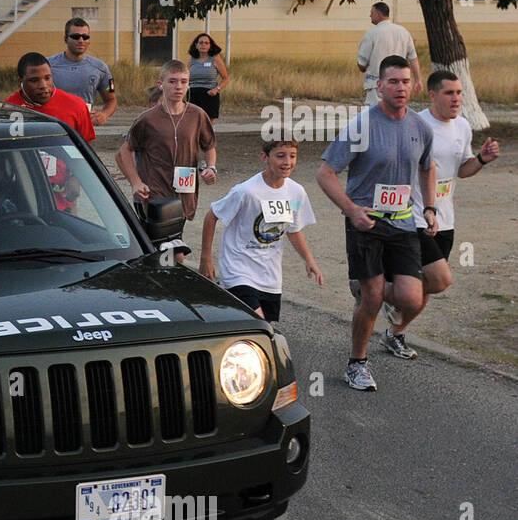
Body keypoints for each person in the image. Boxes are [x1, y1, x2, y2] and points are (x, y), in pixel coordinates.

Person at [317, 56, 436, 391]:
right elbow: (325, 173)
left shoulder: (420, 127)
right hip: (365, 223)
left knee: (412, 299)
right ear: (379, 86)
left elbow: (428, 167)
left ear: (414, 84)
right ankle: (357, 363)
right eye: (393, 82)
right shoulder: (361, 127)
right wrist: (352, 210)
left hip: (402, 224)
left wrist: (430, 208)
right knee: (372, 298)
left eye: (406, 81)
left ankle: (368, 289)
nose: (400, 88)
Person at [377, 69, 502, 355]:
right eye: (449, 93)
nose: (456, 99)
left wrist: (482, 159)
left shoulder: (462, 127)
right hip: (414, 216)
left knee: (429, 284)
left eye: (459, 93)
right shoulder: (416, 125)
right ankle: (380, 290)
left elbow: (462, 169)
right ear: (433, 95)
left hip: (445, 218)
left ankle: (394, 333)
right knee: (441, 278)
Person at [199, 137, 322, 323]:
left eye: (292, 156)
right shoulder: (247, 191)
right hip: (238, 271)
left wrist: (309, 259)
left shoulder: (296, 192)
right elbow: (212, 216)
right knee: (258, 324)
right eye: (280, 156)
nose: (287, 162)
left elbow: (292, 229)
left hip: (270, 276)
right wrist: (205, 259)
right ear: (265, 157)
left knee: (260, 334)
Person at [116, 59, 217, 222]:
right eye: (172, 81)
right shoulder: (147, 119)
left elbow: (210, 145)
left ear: (188, 84)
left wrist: (211, 168)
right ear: (161, 84)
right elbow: (124, 151)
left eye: (183, 82)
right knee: (156, 243)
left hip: (184, 190)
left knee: (178, 241)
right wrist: (135, 182)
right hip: (153, 192)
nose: (178, 87)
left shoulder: (197, 115)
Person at [4, 52, 96, 142]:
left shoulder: (77, 105)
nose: (43, 85)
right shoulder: (6, 110)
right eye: (34, 80)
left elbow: (86, 148)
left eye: (47, 78)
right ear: (21, 82)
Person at [47, 19, 118, 124]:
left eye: (85, 37)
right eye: (75, 36)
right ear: (65, 39)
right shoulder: (48, 65)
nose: (81, 40)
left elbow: (111, 99)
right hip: (54, 126)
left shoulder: (100, 68)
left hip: (83, 129)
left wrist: (104, 114)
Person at [357, 2, 422, 106]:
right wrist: (418, 80)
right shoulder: (404, 32)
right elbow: (413, 59)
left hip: (377, 85)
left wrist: (363, 67)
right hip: (399, 85)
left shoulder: (371, 34)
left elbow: (362, 63)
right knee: (396, 114)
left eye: (372, 13)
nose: (370, 15)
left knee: (375, 116)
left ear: (378, 14)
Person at [186, 33, 230, 124]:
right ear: (196, 45)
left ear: (210, 45)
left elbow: (226, 79)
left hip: (210, 94)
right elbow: (185, 77)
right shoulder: (192, 59)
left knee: (207, 124)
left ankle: (208, 138)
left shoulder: (215, 59)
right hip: (193, 94)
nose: (203, 45)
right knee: (193, 123)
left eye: (206, 43)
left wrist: (216, 89)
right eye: (201, 43)